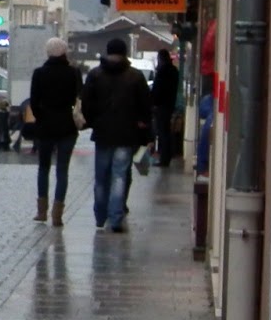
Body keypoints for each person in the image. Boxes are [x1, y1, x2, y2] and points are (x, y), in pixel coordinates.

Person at [79, 37, 152, 233]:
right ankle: (116, 217)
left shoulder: (95, 75)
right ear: (125, 53)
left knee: (101, 177)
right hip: (127, 134)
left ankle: (100, 217)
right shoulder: (135, 76)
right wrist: (143, 127)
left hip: (102, 133)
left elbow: (86, 104)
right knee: (119, 175)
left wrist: (94, 122)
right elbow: (146, 106)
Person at [28, 37, 82, 227]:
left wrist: (41, 116)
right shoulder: (73, 73)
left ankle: (41, 211)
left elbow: (33, 102)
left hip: (45, 126)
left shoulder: (39, 73)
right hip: (67, 126)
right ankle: (57, 213)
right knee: (62, 170)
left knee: (43, 168)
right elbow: (79, 97)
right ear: (65, 51)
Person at [151, 49, 180, 166]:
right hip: (170, 104)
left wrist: (152, 102)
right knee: (166, 132)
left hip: (161, 106)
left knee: (162, 132)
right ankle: (166, 156)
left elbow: (157, 90)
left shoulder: (162, 71)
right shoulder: (174, 71)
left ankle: (164, 158)